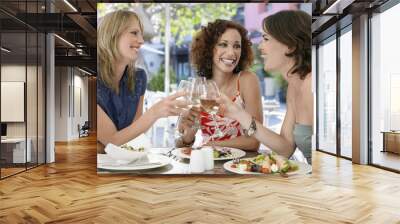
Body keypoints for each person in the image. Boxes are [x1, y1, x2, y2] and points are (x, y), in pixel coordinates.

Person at [217, 10, 313, 164]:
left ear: (290, 46)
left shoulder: (311, 84)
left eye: (266, 39)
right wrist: (239, 114)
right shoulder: (293, 89)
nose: (260, 47)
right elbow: (286, 148)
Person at [97, 10, 187, 148]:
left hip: (126, 161)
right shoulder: (91, 80)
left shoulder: (138, 77)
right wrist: (154, 112)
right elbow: (112, 141)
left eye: (141, 34)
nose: (141, 41)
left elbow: (135, 131)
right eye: (134, 33)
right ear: (112, 35)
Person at [177, 19, 263, 151]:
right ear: (209, 48)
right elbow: (181, 145)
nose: (231, 53)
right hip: (209, 166)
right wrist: (189, 134)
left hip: (241, 166)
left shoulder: (247, 80)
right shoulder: (200, 87)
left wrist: (212, 144)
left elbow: (254, 141)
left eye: (237, 46)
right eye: (223, 44)